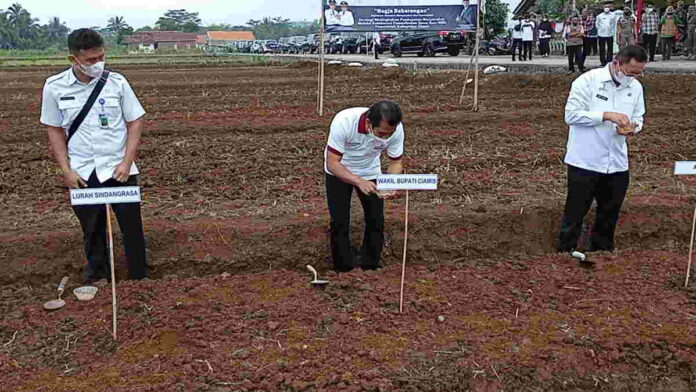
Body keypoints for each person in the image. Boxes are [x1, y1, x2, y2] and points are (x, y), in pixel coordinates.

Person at [40, 29, 148, 283]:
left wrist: (127, 161)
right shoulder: (54, 87)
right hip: (83, 173)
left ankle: (139, 276)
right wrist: (66, 170)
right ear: (73, 59)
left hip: (119, 171)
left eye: (101, 57)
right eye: (90, 60)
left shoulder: (118, 83)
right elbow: (54, 130)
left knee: (132, 227)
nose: (98, 64)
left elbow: (135, 120)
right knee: (92, 228)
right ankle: (98, 275)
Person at [557, 45, 647, 256]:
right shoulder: (587, 81)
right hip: (585, 161)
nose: (635, 77)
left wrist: (632, 128)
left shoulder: (635, 88)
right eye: (631, 71)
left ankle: (603, 254)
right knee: (575, 213)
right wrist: (606, 115)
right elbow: (571, 116)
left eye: (639, 72)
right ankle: (563, 254)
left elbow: (639, 118)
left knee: (609, 214)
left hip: (617, 163)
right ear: (617, 63)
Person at [324, 102, 404, 272]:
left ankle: (371, 265)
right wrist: (358, 181)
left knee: (376, 217)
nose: (385, 138)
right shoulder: (344, 122)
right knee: (340, 219)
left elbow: (395, 162)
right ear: (368, 123)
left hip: (370, 170)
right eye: (381, 134)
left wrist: (391, 183)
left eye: (389, 134)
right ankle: (343, 267)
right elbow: (332, 163)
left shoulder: (396, 129)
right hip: (340, 170)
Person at [596, 1, 621, 65]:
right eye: (605, 7)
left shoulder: (613, 15)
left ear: (610, 7)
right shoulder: (599, 16)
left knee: (610, 49)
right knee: (602, 49)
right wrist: (600, 30)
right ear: (603, 7)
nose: (606, 8)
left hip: (609, 34)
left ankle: (609, 62)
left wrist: (611, 31)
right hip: (601, 35)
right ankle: (602, 62)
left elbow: (614, 23)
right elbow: (597, 25)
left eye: (608, 7)